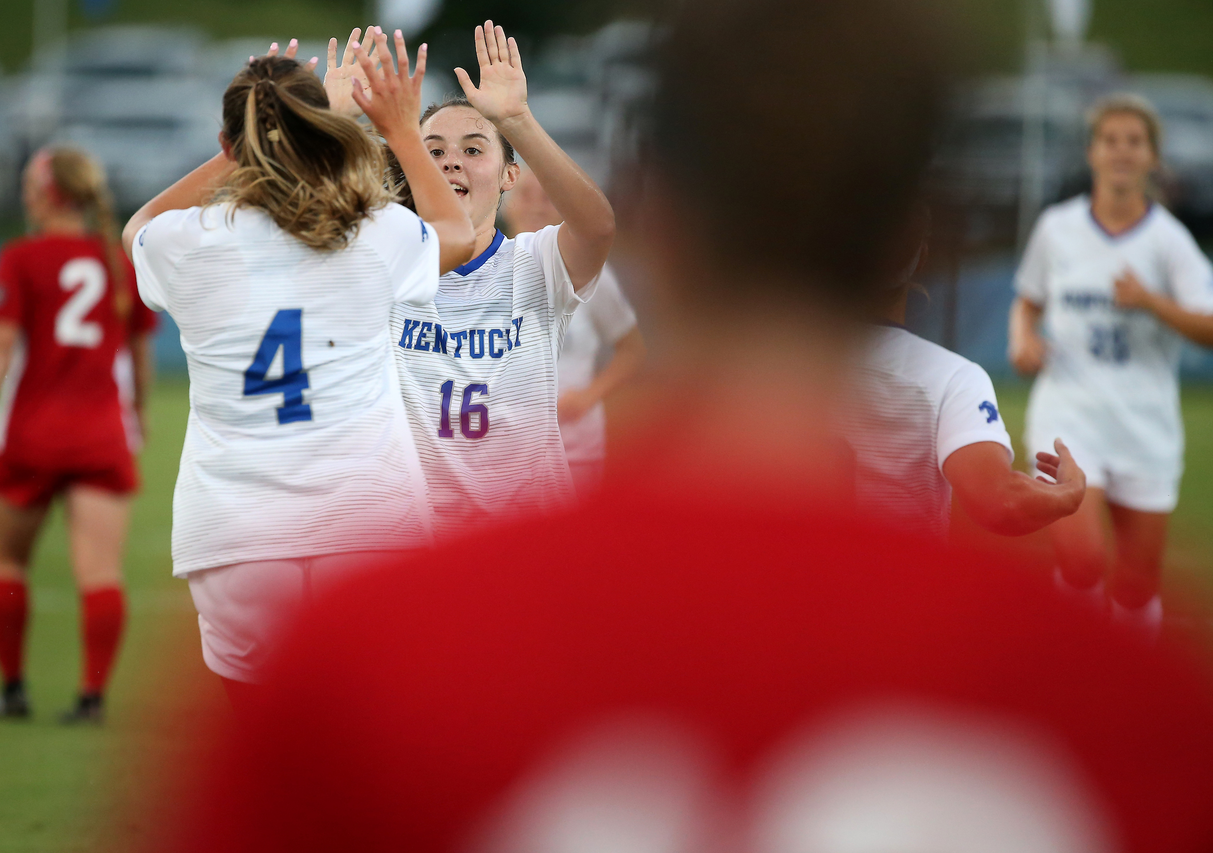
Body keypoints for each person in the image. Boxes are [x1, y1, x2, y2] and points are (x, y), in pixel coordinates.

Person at [151, 4, 1213, 852]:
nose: (458, 158)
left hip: (490, 553)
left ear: (663, 225)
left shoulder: (380, 645)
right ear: (931, 227)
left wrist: (314, 131)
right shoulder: (1129, 707)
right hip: (425, 527)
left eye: (472, 145)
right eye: (441, 145)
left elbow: (502, 230)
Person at [123, 31, 473, 691]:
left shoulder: (189, 244)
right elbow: (456, 232)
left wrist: (248, 146)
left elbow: (136, 226)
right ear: (321, 134)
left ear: (231, 147)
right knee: (373, 758)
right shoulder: (374, 232)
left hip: (235, 530)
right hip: (371, 523)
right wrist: (398, 129)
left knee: (276, 766)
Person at [391, 21, 616, 536]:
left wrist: (516, 119)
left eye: (473, 149)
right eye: (433, 152)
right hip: (416, 540)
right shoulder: (385, 270)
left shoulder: (533, 262)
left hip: (530, 533)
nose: (451, 162)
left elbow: (598, 227)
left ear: (509, 175)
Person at [0, 146, 157, 724]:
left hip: (30, 436)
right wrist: (139, 412)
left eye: (28, 183)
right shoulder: (118, 261)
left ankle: (13, 689)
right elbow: (140, 354)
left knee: (7, 565)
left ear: (49, 193)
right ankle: (91, 697)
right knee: (100, 573)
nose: (23, 193)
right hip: (100, 436)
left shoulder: (22, 258)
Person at [1009, 93, 1213, 633]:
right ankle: (1071, 688)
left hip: (1145, 426)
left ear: (1153, 157)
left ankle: (1129, 703)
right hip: (1068, 416)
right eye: (1110, 140)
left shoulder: (1170, 242)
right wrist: (1022, 338)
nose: (1121, 151)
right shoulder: (1056, 228)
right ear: (1092, 152)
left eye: (1134, 141)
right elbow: (1026, 300)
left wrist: (1152, 302)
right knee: (1081, 562)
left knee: (1137, 584)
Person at [846, 210, 1086, 538]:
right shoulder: (952, 378)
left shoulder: (768, 363)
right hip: (899, 585)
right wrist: (1068, 493)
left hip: (784, 583)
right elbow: (999, 502)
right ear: (921, 260)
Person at [504, 165, 646, 497]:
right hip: (507, 456)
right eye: (526, 195)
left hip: (575, 451)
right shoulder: (482, 273)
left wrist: (586, 397)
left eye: (549, 197)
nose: (537, 206)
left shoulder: (592, 275)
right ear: (507, 202)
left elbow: (632, 350)